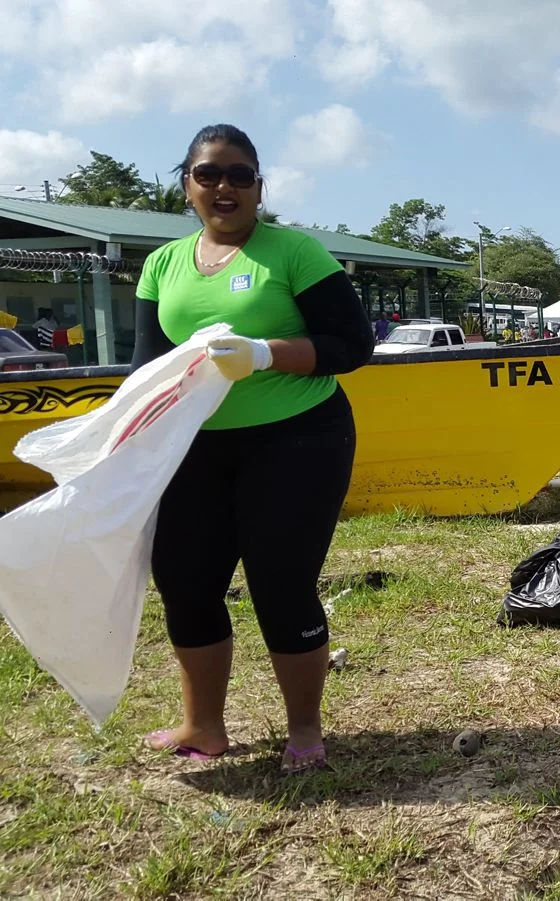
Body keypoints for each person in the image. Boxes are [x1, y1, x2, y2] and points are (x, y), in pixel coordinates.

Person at [130, 124, 375, 773]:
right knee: (183, 581)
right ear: (186, 184)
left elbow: (353, 345)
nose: (224, 186)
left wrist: (265, 354)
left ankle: (304, 731)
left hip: (297, 437)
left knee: (281, 582)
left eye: (240, 174)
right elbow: (147, 365)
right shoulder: (162, 265)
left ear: (259, 187)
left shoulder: (293, 253)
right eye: (209, 173)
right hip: (196, 446)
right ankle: (204, 725)